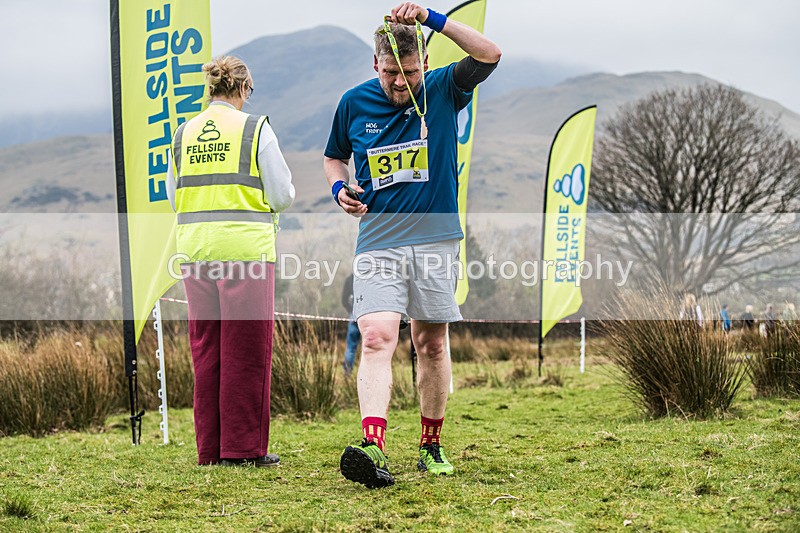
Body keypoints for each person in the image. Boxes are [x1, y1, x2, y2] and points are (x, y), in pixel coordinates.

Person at [324, 2, 501, 488]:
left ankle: (430, 444)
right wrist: (340, 190)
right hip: (378, 242)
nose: (399, 85)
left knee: (431, 342)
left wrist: (432, 19)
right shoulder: (354, 102)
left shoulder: (444, 88)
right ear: (374, 65)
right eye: (389, 75)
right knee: (379, 335)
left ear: (424, 62)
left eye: (409, 74)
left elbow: (490, 53)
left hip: (437, 241)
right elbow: (334, 158)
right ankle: (373, 446)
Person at [166, 56, 295, 467]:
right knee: (246, 351)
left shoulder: (183, 134)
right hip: (244, 255)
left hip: (195, 252)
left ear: (211, 89)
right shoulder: (256, 128)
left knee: (207, 349)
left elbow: (174, 196)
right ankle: (242, 449)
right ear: (243, 89)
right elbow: (282, 195)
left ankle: (210, 449)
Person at [341, 273, 362, 376]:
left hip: (354, 316)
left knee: (351, 347)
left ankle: (347, 373)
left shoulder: (350, 279)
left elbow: (344, 300)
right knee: (371, 347)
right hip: (369, 316)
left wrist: (351, 312)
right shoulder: (370, 277)